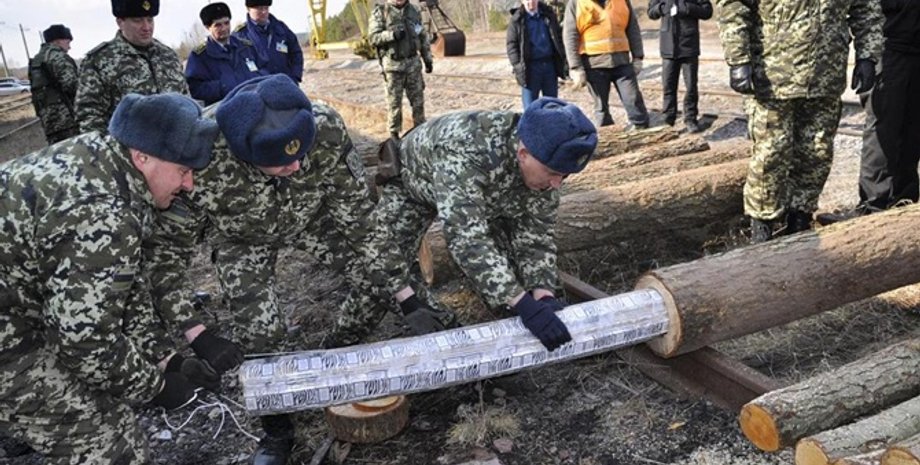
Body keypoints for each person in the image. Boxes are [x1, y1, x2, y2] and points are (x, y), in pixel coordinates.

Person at [145, 75, 447, 465]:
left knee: (390, 285)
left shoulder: (326, 129)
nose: (299, 164)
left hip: (315, 218)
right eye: (283, 161)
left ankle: (453, 344)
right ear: (245, 155)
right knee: (261, 334)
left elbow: (361, 222)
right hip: (242, 238)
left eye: (302, 153)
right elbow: (165, 258)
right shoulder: (200, 157)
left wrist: (405, 297)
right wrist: (197, 334)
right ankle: (277, 430)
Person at [0, 93, 221, 465]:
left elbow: (116, 291)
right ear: (143, 156)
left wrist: (165, 360)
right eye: (183, 170)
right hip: (12, 323)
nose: (190, 185)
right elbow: (84, 340)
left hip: (18, 300)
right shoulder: (104, 209)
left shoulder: (106, 159)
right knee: (110, 446)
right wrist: (156, 387)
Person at [365, 97, 597, 354]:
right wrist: (522, 303)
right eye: (553, 173)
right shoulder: (467, 151)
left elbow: (537, 235)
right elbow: (466, 239)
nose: (557, 184)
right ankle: (340, 343)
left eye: (564, 176)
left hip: (486, 190)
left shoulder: (544, 158)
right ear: (523, 154)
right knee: (379, 276)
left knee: (517, 285)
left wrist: (543, 293)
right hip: (413, 184)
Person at [717, 0, 883, 242]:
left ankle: (799, 220)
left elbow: (866, 8)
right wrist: (738, 58)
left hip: (825, 74)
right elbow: (735, 6)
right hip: (774, 75)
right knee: (771, 153)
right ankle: (762, 228)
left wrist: (868, 56)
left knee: (817, 152)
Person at [818, 0, 920, 225]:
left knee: (913, 127)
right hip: (888, 46)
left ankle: (905, 201)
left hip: (914, 47)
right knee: (883, 126)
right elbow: (863, 9)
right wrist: (867, 56)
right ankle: (874, 205)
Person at [75, 0, 188, 135]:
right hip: (129, 150)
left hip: (176, 145)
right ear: (120, 22)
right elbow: (90, 118)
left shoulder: (168, 55)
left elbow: (186, 101)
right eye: (137, 20)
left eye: (150, 20)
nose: (146, 27)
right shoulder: (99, 61)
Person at [562, 0, 649, 129]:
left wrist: (638, 57)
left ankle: (642, 129)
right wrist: (575, 67)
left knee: (633, 99)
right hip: (594, 65)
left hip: (621, 62)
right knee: (601, 107)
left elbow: (633, 28)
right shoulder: (576, 3)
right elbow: (570, 35)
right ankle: (608, 135)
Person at [368, 0, 434, 139]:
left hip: (413, 64)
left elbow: (422, 37)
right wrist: (392, 35)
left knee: (418, 103)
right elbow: (373, 38)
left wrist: (427, 59)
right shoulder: (381, 12)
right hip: (393, 67)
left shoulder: (414, 11)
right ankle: (394, 137)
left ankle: (420, 133)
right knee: (394, 105)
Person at [647, 0, 712, 133]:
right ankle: (668, 118)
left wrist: (687, 8)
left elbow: (707, 11)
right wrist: (661, 8)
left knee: (691, 86)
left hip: (689, 45)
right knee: (668, 86)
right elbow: (651, 12)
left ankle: (690, 118)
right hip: (668, 47)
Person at [186, 2, 265, 105]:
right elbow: (196, 89)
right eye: (218, 25)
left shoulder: (246, 47)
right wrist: (223, 86)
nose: (224, 28)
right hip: (224, 109)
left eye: (226, 23)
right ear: (207, 27)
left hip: (255, 103)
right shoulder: (200, 56)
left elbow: (263, 69)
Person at [506, 0, 568, 108]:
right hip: (529, 69)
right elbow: (511, 46)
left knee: (552, 106)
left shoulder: (548, 15)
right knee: (530, 109)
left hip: (549, 67)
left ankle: (551, 125)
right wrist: (518, 66)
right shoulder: (517, 20)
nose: (531, 2)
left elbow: (558, 37)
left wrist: (563, 58)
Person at [28, 24, 79, 144]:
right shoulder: (57, 56)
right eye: (68, 42)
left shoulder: (37, 60)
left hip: (48, 120)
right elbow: (72, 85)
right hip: (67, 119)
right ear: (58, 41)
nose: (69, 47)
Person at [233, 0, 304, 84]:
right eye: (259, 9)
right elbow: (240, 67)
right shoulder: (240, 35)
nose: (264, 12)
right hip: (257, 89)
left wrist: (295, 76)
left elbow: (296, 52)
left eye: (266, 8)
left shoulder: (281, 28)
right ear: (248, 9)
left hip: (286, 84)